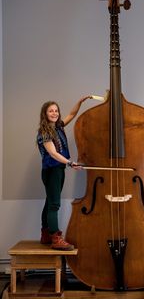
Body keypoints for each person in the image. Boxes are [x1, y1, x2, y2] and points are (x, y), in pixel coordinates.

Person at [37, 96, 91, 250]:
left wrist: (79, 102)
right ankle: (55, 238)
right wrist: (69, 162)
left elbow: (72, 115)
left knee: (49, 201)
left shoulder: (58, 126)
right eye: (50, 111)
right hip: (52, 170)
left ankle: (45, 234)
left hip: (58, 169)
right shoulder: (45, 132)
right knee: (54, 204)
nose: (54, 113)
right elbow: (53, 153)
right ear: (45, 114)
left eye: (56, 111)